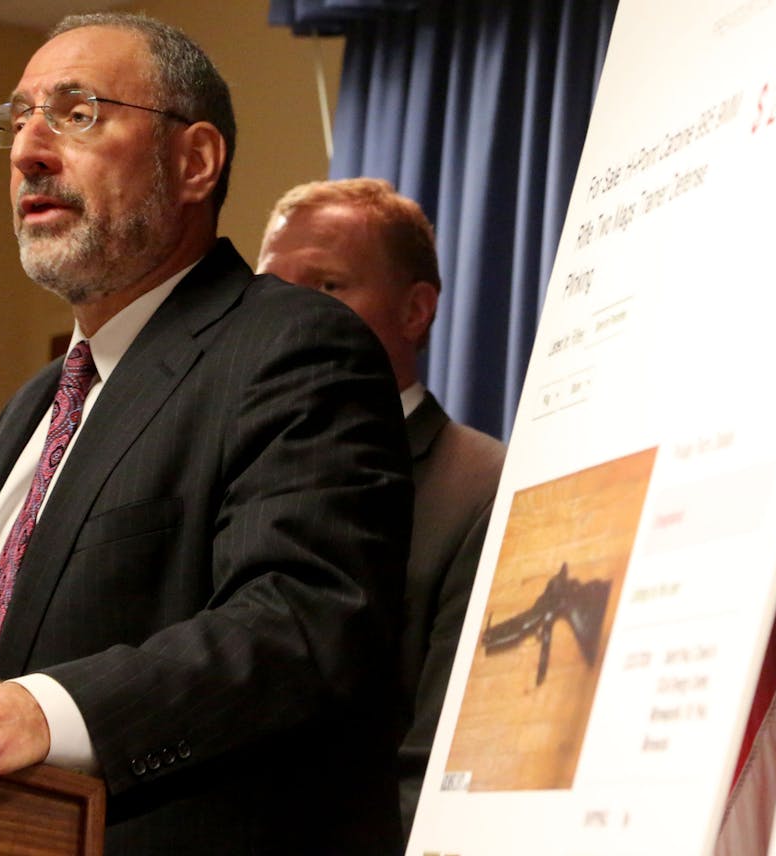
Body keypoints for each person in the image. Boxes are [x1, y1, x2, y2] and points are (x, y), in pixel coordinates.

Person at [0, 14, 411, 854]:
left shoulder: (292, 344)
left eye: (76, 114)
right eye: (18, 119)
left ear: (194, 161)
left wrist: (35, 711)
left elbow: (301, 625)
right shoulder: (35, 406)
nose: (27, 150)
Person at [257, 178, 507, 833]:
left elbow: (442, 777)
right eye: (267, 288)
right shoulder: (228, 476)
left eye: (327, 286)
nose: (283, 314)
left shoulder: (484, 490)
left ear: (415, 311)